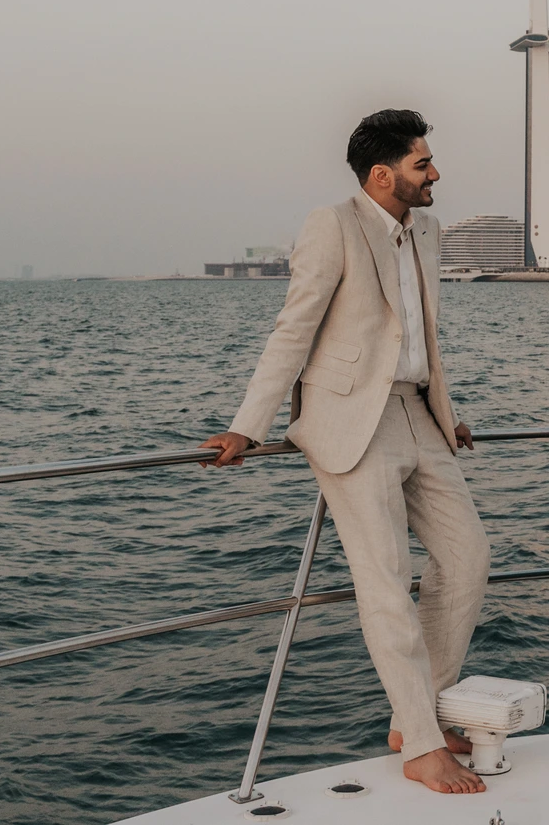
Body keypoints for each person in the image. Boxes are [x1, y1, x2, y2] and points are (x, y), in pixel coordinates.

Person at [200, 109, 492, 795]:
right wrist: (248, 425)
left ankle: (409, 715)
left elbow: (418, 334)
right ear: (383, 174)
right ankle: (422, 742)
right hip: (350, 420)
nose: (436, 173)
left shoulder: (428, 230)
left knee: (470, 557)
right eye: (423, 164)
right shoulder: (331, 226)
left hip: (418, 412)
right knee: (386, 578)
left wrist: (449, 414)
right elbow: (293, 329)